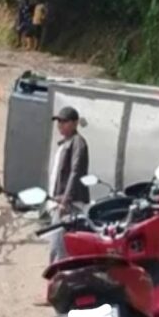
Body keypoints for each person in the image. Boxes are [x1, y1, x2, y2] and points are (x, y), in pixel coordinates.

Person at [46, 106, 90, 263]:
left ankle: (59, 283)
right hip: (59, 201)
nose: (60, 124)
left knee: (58, 248)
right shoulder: (66, 143)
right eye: (58, 121)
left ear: (75, 123)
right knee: (59, 246)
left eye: (64, 121)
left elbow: (75, 172)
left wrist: (65, 200)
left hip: (68, 204)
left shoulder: (78, 143)